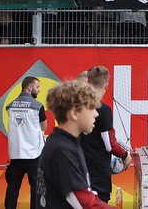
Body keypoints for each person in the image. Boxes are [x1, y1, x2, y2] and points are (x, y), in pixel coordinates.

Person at [38, 80, 114, 209]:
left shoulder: (64, 143)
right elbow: (83, 202)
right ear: (74, 113)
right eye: (92, 108)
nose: (96, 114)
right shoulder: (61, 150)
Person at [80, 66, 131, 204]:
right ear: (106, 85)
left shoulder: (77, 106)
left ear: (88, 82)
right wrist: (125, 155)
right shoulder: (102, 109)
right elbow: (109, 144)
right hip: (98, 174)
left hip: (79, 171)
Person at [5, 76, 47, 209]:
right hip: (33, 153)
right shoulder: (38, 106)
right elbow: (44, 127)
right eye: (37, 87)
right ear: (29, 88)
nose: (39, 90)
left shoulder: (10, 106)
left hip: (15, 153)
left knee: (13, 185)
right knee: (35, 186)